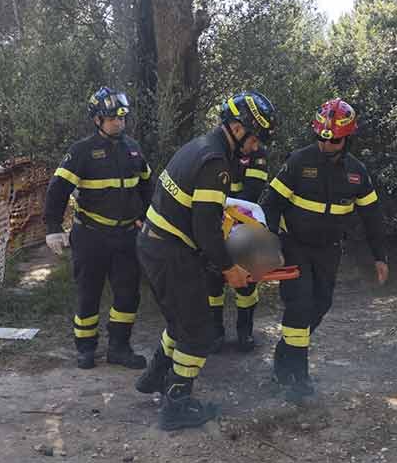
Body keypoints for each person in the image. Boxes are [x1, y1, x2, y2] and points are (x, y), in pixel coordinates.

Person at [134, 91, 277, 430]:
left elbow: (202, 217)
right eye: (255, 138)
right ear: (238, 128)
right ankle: (177, 405)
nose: (256, 147)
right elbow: (206, 228)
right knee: (198, 332)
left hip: (156, 246)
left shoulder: (200, 146)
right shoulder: (216, 162)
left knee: (180, 320)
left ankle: (155, 376)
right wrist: (230, 269)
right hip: (170, 252)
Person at [261, 98, 389, 401]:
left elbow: (372, 216)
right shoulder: (298, 161)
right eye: (321, 138)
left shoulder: (357, 172)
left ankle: (284, 357)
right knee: (300, 305)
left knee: (320, 305)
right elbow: (271, 203)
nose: (326, 145)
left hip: (329, 251)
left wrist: (380, 257)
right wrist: (270, 241)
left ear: (347, 139)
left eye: (333, 141)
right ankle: (298, 376)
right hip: (295, 247)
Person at [43, 87, 152, 370]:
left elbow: (146, 187)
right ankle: (86, 348)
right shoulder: (81, 151)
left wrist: (147, 217)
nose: (119, 123)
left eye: (122, 118)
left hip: (127, 236)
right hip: (90, 236)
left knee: (128, 294)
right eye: (112, 118)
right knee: (88, 294)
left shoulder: (134, 148)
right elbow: (57, 190)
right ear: (97, 120)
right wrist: (53, 227)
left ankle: (119, 347)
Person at [207, 113, 271, 353]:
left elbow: (253, 191)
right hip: (214, 221)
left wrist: (227, 206)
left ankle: (245, 332)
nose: (255, 145)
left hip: (243, 221)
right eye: (253, 140)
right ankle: (215, 333)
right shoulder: (216, 151)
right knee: (212, 282)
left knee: (246, 284)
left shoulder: (258, 155)